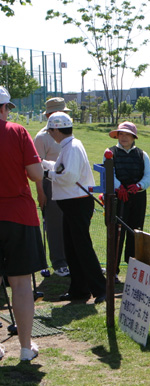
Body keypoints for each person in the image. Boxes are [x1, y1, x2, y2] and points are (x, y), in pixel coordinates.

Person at [0, 86, 47, 361]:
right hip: (18, 215)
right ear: (5, 107)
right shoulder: (17, 132)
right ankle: (26, 348)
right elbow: (35, 173)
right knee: (20, 285)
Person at [42, 111, 106, 304]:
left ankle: (101, 288)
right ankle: (79, 289)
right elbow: (63, 169)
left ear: (56, 130)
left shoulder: (72, 147)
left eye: (51, 131)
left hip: (77, 202)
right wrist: (46, 165)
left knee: (82, 246)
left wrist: (47, 174)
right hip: (72, 202)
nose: (50, 134)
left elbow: (68, 176)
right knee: (72, 247)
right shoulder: (68, 146)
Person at [107, 121, 150, 277]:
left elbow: (149, 175)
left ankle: (134, 271)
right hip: (118, 198)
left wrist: (139, 185)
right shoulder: (110, 152)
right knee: (116, 234)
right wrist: (119, 186)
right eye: (121, 134)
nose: (123, 137)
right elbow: (109, 173)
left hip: (137, 198)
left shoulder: (142, 154)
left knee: (136, 233)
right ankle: (113, 270)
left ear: (133, 137)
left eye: (127, 134)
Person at [34, 97, 71, 277]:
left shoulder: (66, 133)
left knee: (69, 222)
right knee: (54, 224)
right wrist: (41, 193)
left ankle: (70, 259)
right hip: (50, 184)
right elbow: (38, 168)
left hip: (67, 183)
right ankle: (58, 262)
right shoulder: (42, 137)